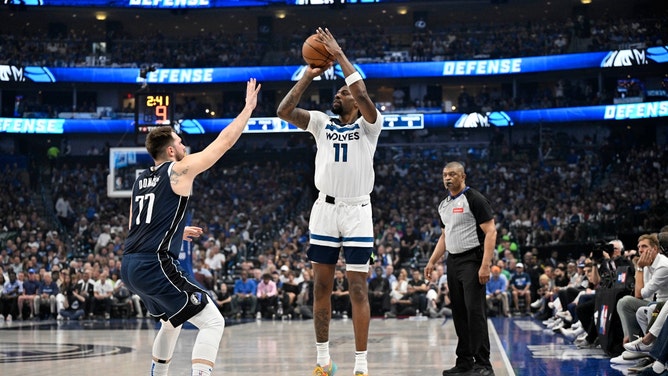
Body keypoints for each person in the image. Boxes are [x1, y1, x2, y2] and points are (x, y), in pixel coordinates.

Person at [120, 78, 260, 376]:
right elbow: (223, 143)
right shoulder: (179, 168)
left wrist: (176, 231)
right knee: (213, 321)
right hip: (153, 264)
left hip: (129, 265)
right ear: (171, 151)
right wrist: (248, 109)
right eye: (180, 142)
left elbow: (136, 223)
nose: (184, 145)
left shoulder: (139, 179)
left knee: (172, 320)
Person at [277, 27, 382, 376]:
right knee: (321, 285)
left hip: (357, 210)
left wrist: (337, 55)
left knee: (357, 288)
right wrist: (308, 74)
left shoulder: (371, 125)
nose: (338, 95)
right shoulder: (321, 122)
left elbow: (363, 91)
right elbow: (284, 110)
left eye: (343, 92)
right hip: (324, 209)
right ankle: (323, 361)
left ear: (354, 98)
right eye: (337, 91)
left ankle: (361, 365)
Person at [424, 161, 497, 376]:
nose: (448, 178)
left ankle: (483, 364)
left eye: (453, 174)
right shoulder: (443, 204)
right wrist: (432, 261)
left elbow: (491, 231)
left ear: (463, 176)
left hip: (472, 260)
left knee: (475, 312)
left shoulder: (474, 198)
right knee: (459, 313)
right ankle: (464, 361)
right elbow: (446, 235)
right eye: (445, 174)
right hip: (453, 262)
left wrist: (485, 264)